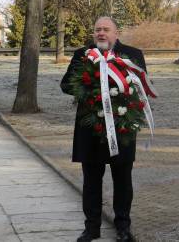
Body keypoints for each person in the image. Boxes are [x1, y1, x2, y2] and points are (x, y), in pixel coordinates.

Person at [61, 16, 145, 242]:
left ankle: (123, 228)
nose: (101, 33)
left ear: (116, 33)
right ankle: (92, 228)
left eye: (106, 29)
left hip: (121, 128)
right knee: (91, 182)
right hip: (90, 129)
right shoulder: (82, 55)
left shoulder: (132, 55)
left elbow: (141, 86)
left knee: (123, 181)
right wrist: (90, 87)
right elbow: (65, 84)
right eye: (97, 29)